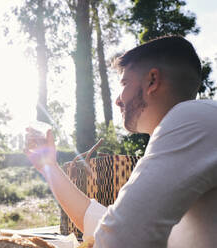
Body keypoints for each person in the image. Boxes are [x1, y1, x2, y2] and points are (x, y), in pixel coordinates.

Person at [25, 36, 217, 247]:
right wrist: (49, 167)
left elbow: (119, 237)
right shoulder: (198, 129)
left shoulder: (190, 117)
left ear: (152, 80)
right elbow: (107, 228)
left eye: (125, 83)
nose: (118, 99)